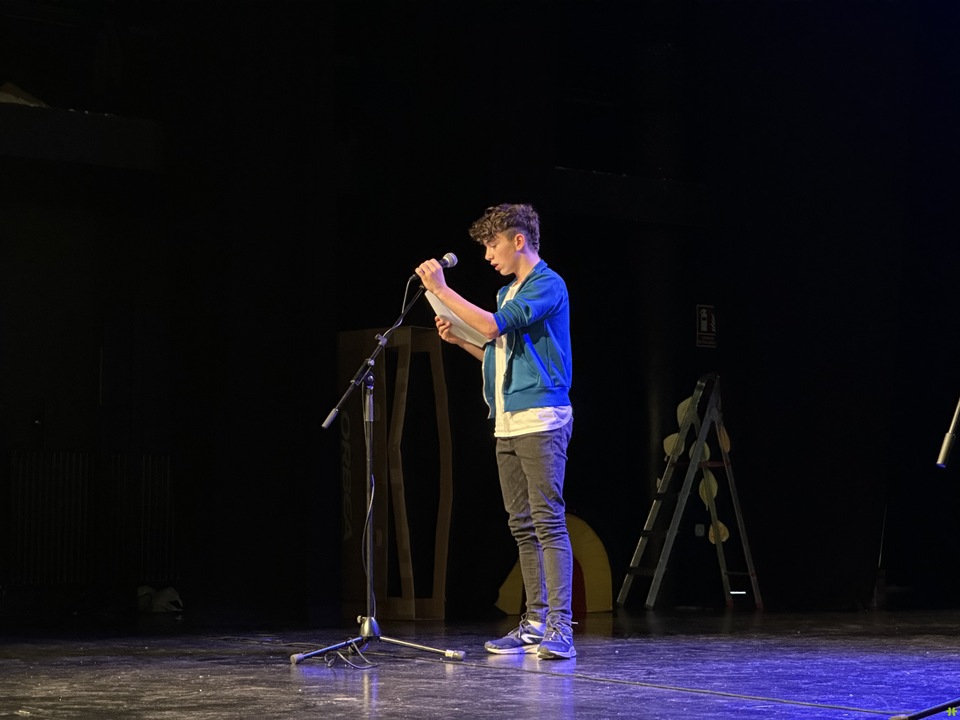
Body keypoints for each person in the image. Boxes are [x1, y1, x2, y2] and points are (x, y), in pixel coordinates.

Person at [415, 203, 575, 660]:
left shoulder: (547, 284)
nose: (488, 255)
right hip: (507, 420)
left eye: (492, 245)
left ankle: (561, 627)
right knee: (522, 525)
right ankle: (535, 621)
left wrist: (442, 289)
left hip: (540, 418)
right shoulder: (507, 292)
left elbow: (491, 325)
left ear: (518, 240)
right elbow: (497, 351)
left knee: (547, 522)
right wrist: (459, 340)